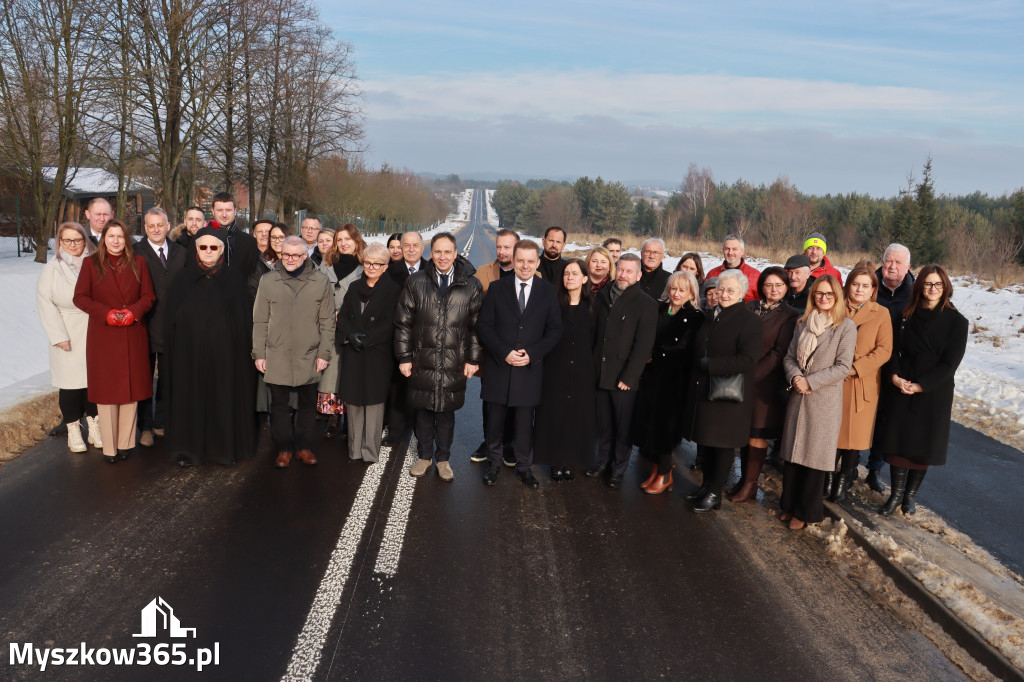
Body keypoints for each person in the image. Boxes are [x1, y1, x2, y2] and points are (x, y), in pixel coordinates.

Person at [877, 265, 968, 516]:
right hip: (902, 384)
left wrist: (921, 386)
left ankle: (909, 497)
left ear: (946, 287)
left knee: (922, 446)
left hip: (933, 391)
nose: (932, 289)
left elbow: (950, 363)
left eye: (938, 284)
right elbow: (892, 350)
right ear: (920, 286)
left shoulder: (957, 322)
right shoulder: (906, 315)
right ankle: (895, 495)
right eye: (928, 284)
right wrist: (894, 377)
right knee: (897, 443)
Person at [163, 227, 257, 466]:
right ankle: (189, 450)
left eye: (213, 247)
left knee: (223, 399)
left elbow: (243, 323)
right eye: (202, 247)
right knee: (190, 401)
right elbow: (171, 321)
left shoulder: (234, 280)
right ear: (196, 249)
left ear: (222, 250)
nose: (207, 252)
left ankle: (222, 450)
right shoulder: (182, 279)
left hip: (225, 358)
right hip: (189, 358)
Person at [394, 233, 482, 481]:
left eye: (447, 252)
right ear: (431, 254)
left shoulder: (471, 285)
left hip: (454, 360)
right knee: (423, 411)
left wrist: (473, 359)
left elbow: (477, 327)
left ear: (456, 254)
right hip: (423, 359)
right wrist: (404, 357)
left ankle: (443, 459)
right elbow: (403, 324)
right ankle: (424, 457)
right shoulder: (416, 282)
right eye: (437, 252)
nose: (442, 257)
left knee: (446, 413)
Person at [476, 240, 562, 489]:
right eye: (520, 260)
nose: (525, 265)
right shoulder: (496, 288)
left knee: (525, 424)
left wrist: (532, 354)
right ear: (513, 261)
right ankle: (493, 464)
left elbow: (555, 330)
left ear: (537, 263)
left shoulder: (547, 291)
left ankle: (524, 468)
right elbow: (484, 326)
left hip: (529, 369)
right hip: (499, 367)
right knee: (495, 422)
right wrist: (504, 352)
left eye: (530, 261)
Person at [73, 219, 155, 463]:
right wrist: (105, 313)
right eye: (111, 237)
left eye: (120, 236)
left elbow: (149, 296)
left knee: (130, 391)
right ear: (103, 239)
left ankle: (125, 443)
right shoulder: (91, 264)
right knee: (108, 393)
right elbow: (80, 297)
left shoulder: (139, 262)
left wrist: (134, 311)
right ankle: (110, 447)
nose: (116, 241)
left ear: (126, 239)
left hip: (132, 332)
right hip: (104, 335)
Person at [779, 275, 857, 529]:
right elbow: (790, 357)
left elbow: (843, 367)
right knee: (792, 456)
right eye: (819, 294)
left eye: (829, 294)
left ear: (837, 298)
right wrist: (796, 376)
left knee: (813, 460)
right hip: (798, 397)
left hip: (822, 400)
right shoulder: (803, 323)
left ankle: (804, 511)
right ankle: (789, 505)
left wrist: (811, 382)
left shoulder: (845, 327)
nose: (823, 298)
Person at [681, 269, 762, 511]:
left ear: (742, 293)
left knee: (722, 445)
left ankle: (715, 493)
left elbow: (748, 359)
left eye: (730, 290)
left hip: (729, 393)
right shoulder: (712, 315)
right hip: (706, 390)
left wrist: (711, 365)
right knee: (706, 442)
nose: (724, 294)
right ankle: (706, 486)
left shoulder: (750, 320)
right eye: (721, 289)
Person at [253, 236, 335, 468]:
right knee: (278, 405)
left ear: (305, 255)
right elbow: (259, 320)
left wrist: (324, 353)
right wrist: (259, 353)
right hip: (276, 353)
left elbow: (328, 321)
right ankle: (284, 448)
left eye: (296, 255)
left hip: (309, 354)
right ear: (280, 254)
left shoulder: (320, 281)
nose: (290, 259)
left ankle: (303, 446)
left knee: (308, 404)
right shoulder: (268, 281)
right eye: (286, 254)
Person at [727, 267, 798, 502]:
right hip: (740, 376)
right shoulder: (750, 308)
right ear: (761, 287)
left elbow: (779, 353)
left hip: (764, 383)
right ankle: (742, 480)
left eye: (779, 285)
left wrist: (749, 376)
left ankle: (750, 485)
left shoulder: (789, 316)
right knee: (743, 432)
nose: (773, 289)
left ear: (787, 287)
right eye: (769, 285)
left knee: (757, 434)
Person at [587, 253, 658, 489]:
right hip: (601, 371)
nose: (623, 275)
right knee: (604, 424)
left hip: (623, 378)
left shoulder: (646, 303)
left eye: (629, 271)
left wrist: (629, 377)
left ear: (638, 275)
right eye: (621, 270)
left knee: (622, 427)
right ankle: (603, 462)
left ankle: (618, 468)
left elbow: (643, 345)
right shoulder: (604, 295)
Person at [631, 271, 702, 494]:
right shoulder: (660, 308)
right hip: (652, 377)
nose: (676, 293)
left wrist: (654, 353)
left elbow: (684, 349)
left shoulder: (695, 316)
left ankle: (665, 474)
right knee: (650, 425)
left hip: (674, 381)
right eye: (673, 288)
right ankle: (658, 469)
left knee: (665, 429)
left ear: (691, 292)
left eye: (682, 290)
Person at [831, 267, 893, 501]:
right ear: (848, 285)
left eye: (865, 286)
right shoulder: (836, 306)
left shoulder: (881, 313)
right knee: (832, 432)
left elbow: (884, 350)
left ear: (873, 290)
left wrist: (857, 368)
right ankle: (827, 477)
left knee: (853, 437)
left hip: (861, 381)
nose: (859, 289)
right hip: (834, 378)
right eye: (856, 284)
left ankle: (842, 480)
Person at [37, 222, 99, 453]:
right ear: (59, 243)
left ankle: (95, 425)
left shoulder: (95, 264)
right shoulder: (52, 268)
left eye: (78, 240)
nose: (73, 245)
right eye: (67, 241)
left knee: (93, 382)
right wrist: (58, 336)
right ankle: (73, 429)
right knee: (71, 385)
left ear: (85, 241)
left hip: (93, 329)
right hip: (67, 331)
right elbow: (45, 303)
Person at [336, 242, 401, 463]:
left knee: (373, 403)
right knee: (353, 401)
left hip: (377, 354)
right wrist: (351, 335)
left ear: (385, 266)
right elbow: (343, 316)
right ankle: (354, 449)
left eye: (377, 264)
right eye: (367, 262)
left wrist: (367, 340)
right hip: (354, 351)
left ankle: (370, 452)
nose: (371, 267)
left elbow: (391, 323)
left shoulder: (393, 290)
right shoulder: (354, 287)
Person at [533, 259, 597, 482]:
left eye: (575, 273)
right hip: (555, 367)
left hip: (582, 369)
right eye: (566, 273)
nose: (570, 277)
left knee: (576, 417)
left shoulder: (593, 306)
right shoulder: (553, 304)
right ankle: (555, 461)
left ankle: (570, 462)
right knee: (554, 415)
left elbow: (595, 339)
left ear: (585, 279)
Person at [862, 243, 915, 492]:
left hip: (895, 366)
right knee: (859, 413)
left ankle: (874, 470)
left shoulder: (915, 293)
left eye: (897, 263)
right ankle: (847, 467)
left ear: (908, 267)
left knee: (885, 421)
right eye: (887, 261)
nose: (891, 266)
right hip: (866, 360)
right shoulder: (868, 286)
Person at [468, 228, 520, 464]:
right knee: (490, 401)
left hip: (519, 351)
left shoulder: (534, 276)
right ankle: (489, 443)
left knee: (515, 400)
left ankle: (509, 444)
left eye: (507, 247)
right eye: (499, 246)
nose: (501, 251)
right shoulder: (483, 273)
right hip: (491, 349)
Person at [135, 208, 186, 447]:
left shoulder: (181, 253)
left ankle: (161, 422)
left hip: (173, 328)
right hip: (143, 327)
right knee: (144, 381)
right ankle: (144, 427)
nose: (156, 229)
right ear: (145, 228)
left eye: (160, 225)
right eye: (151, 225)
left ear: (168, 226)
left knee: (168, 380)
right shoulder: (136, 253)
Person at [318, 223, 365, 438]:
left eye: (349, 239)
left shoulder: (365, 266)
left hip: (353, 326)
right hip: (328, 326)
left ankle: (350, 420)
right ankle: (332, 417)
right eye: (340, 240)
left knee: (351, 372)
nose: (344, 243)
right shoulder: (326, 263)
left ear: (357, 241)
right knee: (331, 373)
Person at [209, 191, 259, 276]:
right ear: (213, 211)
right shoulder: (200, 241)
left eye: (228, 210)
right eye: (220, 210)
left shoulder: (250, 243)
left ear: (235, 211)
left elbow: (254, 276)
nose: (224, 215)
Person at [706, 234, 759, 302]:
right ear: (723, 250)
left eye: (734, 249)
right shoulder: (712, 274)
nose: (730, 252)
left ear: (742, 251)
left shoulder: (755, 276)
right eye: (727, 249)